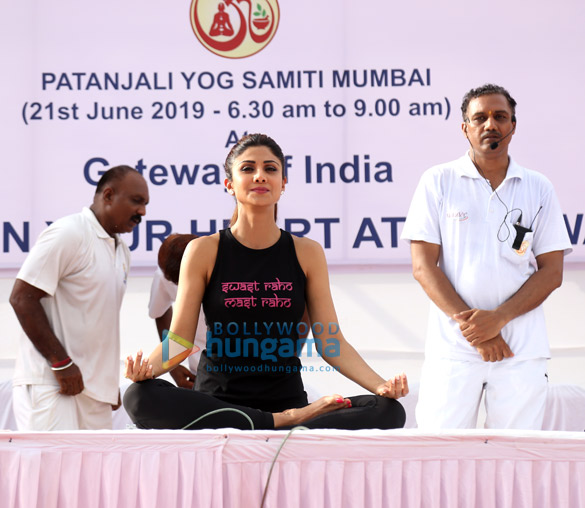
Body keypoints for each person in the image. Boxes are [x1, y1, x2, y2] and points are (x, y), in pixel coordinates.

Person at [124, 133, 408, 430]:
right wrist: (148, 369)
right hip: (220, 402)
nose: (260, 175)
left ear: (283, 183)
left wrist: (380, 386)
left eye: (270, 169)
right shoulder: (203, 250)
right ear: (229, 184)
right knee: (139, 396)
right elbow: (180, 341)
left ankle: (276, 419)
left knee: (388, 411)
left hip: (286, 398)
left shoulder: (307, 253)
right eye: (247, 169)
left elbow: (330, 341)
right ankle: (282, 422)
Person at [401, 84, 572, 430]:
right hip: (453, 350)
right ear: (465, 128)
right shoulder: (438, 181)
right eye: (479, 117)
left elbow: (551, 272)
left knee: (514, 459)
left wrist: (498, 319)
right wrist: (478, 331)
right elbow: (423, 267)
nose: (490, 124)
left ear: (513, 126)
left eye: (500, 117)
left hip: (520, 351)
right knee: (439, 454)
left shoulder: (538, 186)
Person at [10, 166, 149, 430]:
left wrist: (106, 383)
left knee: (92, 473)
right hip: (52, 386)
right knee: (50, 472)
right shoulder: (69, 232)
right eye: (136, 201)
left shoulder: (122, 251)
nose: (142, 212)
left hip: (94, 393)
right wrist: (61, 363)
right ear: (108, 195)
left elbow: (98, 321)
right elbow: (22, 298)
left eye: (145, 204)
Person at [149, 234, 204, 389]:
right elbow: (160, 311)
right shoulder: (166, 271)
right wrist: (172, 363)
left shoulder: (235, 275)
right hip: (199, 372)